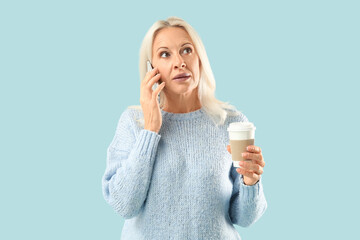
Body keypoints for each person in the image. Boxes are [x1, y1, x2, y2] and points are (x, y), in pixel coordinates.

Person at [102, 16, 267, 240]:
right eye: (165, 54)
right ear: (152, 68)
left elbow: (245, 218)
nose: (179, 61)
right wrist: (150, 131)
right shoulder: (133, 122)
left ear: (200, 58)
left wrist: (251, 181)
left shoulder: (232, 123)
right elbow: (124, 204)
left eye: (187, 50)